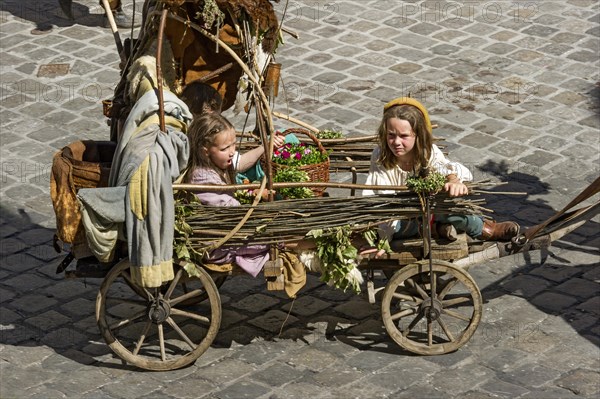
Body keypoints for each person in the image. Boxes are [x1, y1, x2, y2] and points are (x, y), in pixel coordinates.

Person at [363, 97, 519, 243]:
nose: (396, 142)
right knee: (396, 228)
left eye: (404, 136)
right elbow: (380, 196)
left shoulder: (427, 152)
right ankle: (434, 229)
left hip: (432, 210)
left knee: (456, 214)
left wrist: (453, 180)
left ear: (418, 135)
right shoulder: (380, 156)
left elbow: (443, 167)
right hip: (398, 216)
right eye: (391, 135)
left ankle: (485, 229)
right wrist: (383, 241)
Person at [182, 112, 286, 276]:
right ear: (205, 152)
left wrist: (265, 146)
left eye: (233, 145)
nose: (232, 152)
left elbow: (241, 163)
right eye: (225, 148)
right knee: (279, 236)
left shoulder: (217, 165)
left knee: (279, 230)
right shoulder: (202, 178)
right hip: (220, 243)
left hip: (229, 230)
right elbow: (233, 211)